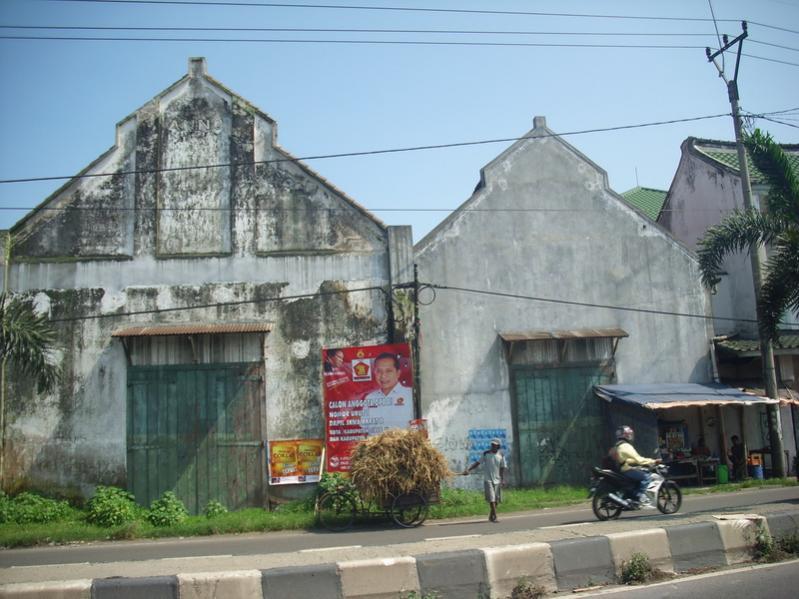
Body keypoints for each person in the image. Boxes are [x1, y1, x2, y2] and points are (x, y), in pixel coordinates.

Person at [360, 352, 413, 434]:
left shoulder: (410, 395)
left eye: (388, 371)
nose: (383, 376)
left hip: (404, 445)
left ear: (398, 373)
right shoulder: (370, 398)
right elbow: (365, 430)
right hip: (377, 446)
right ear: (374, 373)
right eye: (379, 371)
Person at [610, 425, 658, 507]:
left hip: (621, 469)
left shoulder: (618, 445)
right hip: (627, 470)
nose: (631, 436)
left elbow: (626, 460)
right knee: (647, 477)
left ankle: (632, 495)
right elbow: (639, 459)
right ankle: (638, 497)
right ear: (626, 435)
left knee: (640, 475)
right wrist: (653, 461)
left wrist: (635, 463)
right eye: (630, 434)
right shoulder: (626, 446)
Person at [463, 438, 507, 522]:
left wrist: (503, 479)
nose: (492, 446)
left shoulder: (501, 455)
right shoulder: (486, 454)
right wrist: (468, 470)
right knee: (492, 498)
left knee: (496, 499)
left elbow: (502, 467)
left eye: (494, 445)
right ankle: (495, 516)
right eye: (492, 445)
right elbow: (477, 463)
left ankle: (491, 515)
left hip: (497, 480)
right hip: (488, 479)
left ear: (498, 446)